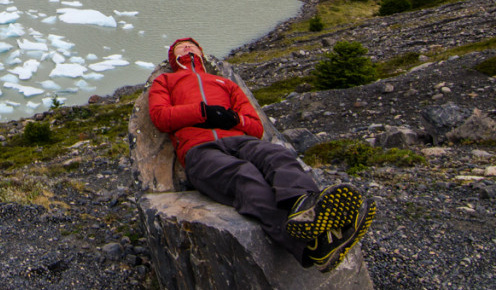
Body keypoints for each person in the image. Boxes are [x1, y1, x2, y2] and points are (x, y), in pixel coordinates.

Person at [147, 37, 375, 272]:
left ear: (201, 53)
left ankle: (305, 205)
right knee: (244, 176)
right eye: (179, 46)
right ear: (172, 57)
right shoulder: (165, 80)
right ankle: (311, 246)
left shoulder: (225, 83)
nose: (186, 47)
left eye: (191, 45)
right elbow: (161, 116)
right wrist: (203, 112)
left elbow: (256, 127)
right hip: (199, 150)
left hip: (240, 140)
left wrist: (235, 119)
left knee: (276, 156)